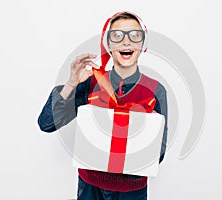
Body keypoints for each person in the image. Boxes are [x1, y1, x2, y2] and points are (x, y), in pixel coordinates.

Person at [38, 11, 168, 200]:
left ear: (143, 44)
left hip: (132, 192)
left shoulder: (156, 90)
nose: (126, 42)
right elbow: (46, 124)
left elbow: (159, 153)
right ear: (108, 45)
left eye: (134, 35)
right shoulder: (91, 82)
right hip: (90, 188)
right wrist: (71, 84)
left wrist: (123, 149)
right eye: (117, 36)